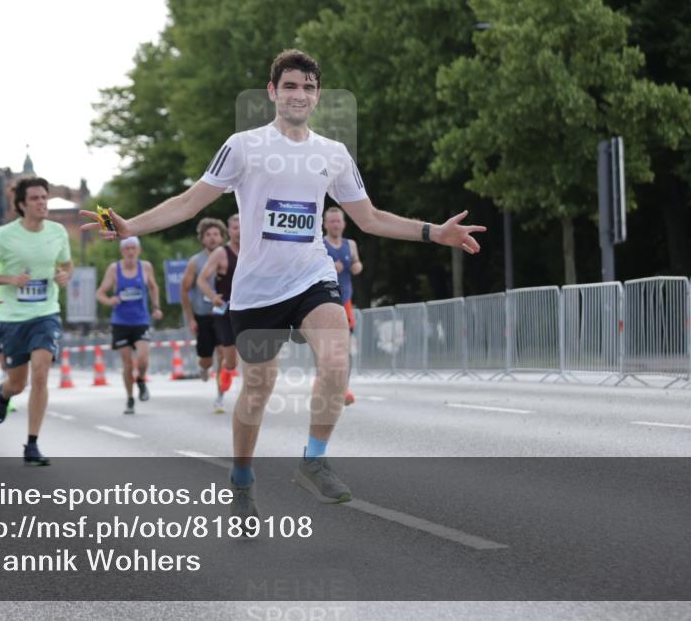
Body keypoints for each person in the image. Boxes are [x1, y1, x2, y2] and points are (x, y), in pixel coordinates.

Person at [81, 49, 486, 525]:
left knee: (336, 356)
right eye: (290, 86)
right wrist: (131, 226)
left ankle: (314, 460)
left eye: (308, 88)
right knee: (257, 390)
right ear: (272, 92)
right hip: (256, 290)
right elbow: (190, 203)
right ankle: (242, 479)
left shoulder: (333, 154)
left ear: (318, 97)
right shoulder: (244, 146)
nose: (299, 95)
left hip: (312, 276)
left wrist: (434, 232)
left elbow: (370, 218)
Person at [0, 177, 72, 466]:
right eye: (34, 198)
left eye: (44, 197)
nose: (42, 202)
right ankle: (3, 395)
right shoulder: (2, 236)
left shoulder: (57, 232)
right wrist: (9, 279)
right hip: (12, 317)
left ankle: (32, 444)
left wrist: (64, 275)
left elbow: (66, 264)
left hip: (46, 313)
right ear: (21, 205)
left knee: (41, 373)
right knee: (18, 383)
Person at [96, 236, 162, 415]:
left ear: (139, 250)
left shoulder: (145, 267)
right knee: (127, 364)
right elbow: (100, 293)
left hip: (141, 320)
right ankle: (130, 398)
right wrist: (110, 301)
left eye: (134, 248)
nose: (131, 252)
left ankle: (140, 379)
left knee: (143, 359)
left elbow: (153, 287)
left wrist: (156, 307)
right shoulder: (114, 269)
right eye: (127, 248)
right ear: (122, 251)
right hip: (121, 323)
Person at [196, 214, 241, 413]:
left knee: (254, 356)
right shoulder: (221, 253)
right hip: (225, 312)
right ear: (229, 232)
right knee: (229, 362)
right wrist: (213, 296)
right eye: (235, 228)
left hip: (248, 311)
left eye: (242, 227)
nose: (239, 232)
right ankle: (221, 391)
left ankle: (243, 398)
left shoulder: (255, 250)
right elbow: (201, 279)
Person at [180, 217, 227, 400]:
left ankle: (220, 395)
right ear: (202, 239)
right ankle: (204, 367)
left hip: (223, 314)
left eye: (216, 234)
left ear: (222, 237)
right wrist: (191, 319)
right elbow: (184, 290)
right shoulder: (195, 261)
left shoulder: (229, 257)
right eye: (208, 234)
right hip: (203, 315)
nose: (212, 238)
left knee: (223, 354)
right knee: (207, 359)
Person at [322, 206, 362, 405]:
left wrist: (355, 266)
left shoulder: (350, 244)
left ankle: (344, 388)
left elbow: (357, 264)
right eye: (332, 221)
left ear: (344, 224)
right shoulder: (320, 244)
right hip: (324, 302)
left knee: (345, 347)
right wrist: (329, 266)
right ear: (325, 224)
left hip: (345, 302)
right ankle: (326, 384)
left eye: (338, 221)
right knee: (327, 348)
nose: (335, 225)